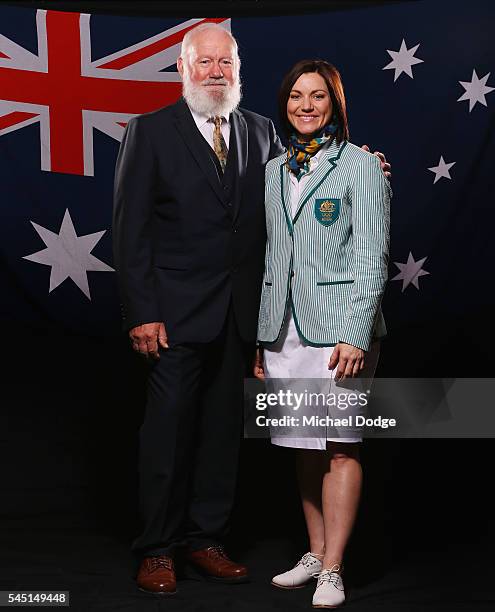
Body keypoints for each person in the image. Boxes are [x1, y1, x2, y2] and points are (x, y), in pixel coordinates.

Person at [113, 22, 390, 596]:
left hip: (247, 317)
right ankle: (158, 548)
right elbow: (129, 230)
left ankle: (206, 539)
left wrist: (370, 168)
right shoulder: (149, 132)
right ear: (183, 67)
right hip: (173, 316)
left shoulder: (263, 131)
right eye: (205, 62)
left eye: (226, 63)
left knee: (222, 435)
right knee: (166, 435)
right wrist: (142, 311)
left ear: (239, 69)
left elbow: (308, 191)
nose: (217, 72)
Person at [253, 59, 391, 608]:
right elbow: (271, 257)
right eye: (295, 97)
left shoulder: (361, 166)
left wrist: (356, 334)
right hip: (285, 331)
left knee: (339, 446)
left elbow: (373, 255)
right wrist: (262, 339)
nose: (305, 107)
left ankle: (335, 568)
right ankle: (314, 553)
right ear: (284, 105)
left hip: (340, 332)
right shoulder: (273, 170)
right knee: (302, 447)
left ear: (334, 103)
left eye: (317, 97)